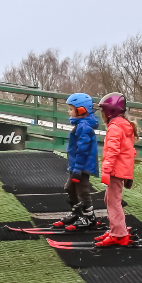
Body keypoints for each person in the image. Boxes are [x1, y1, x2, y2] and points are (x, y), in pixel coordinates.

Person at [94, 92, 139, 247]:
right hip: (120, 170)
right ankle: (116, 228)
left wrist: (106, 171)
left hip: (114, 170)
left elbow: (113, 151)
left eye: (103, 111)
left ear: (110, 112)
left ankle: (118, 234)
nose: (102, 115)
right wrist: (129, 175)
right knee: (110, 199)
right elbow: (130, 152)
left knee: (113, 201)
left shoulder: (115, 127)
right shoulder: (124, 126)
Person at [53, 93, 100, 231]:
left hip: (82, 166)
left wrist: (78, 169)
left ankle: (89, 216)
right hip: (76, 165)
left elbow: (83, 149)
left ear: (81, 110)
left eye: (71, 109)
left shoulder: (84, 126)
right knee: (69, 188)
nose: (69, 112)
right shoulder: (80, 124)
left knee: (82, 189)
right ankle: (77, 213)